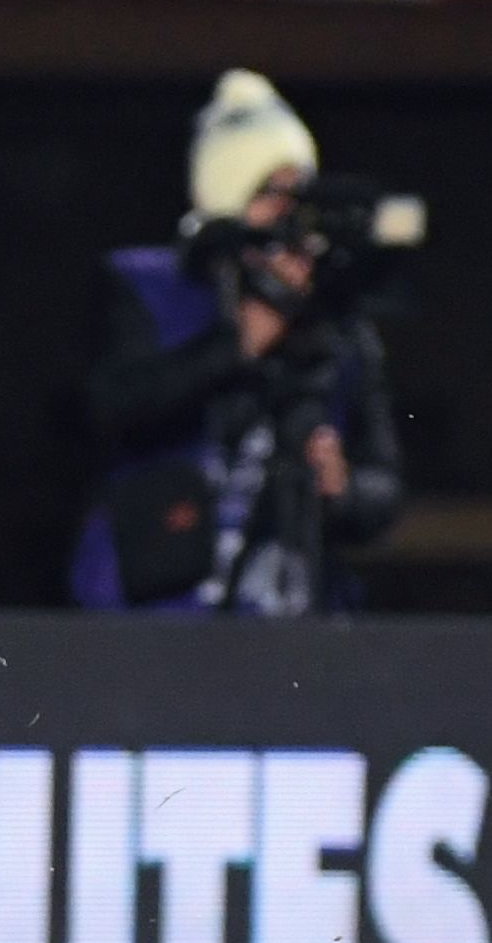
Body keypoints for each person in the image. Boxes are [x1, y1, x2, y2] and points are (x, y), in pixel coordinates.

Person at [73, 70, 404, 615]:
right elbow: (111, 410)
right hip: (153, 611)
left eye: (299, 194)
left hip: (290, 616)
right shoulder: (149, 287)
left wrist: (343, 490)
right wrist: (237, 346)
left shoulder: (340, 328)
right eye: (270, 193)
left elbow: (384, 485)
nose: (287, 216)